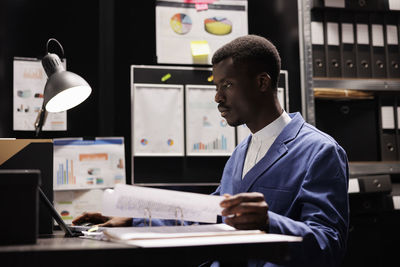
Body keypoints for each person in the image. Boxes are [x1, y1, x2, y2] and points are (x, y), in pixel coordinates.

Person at [73, 35, 349, 267]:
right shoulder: (241, 153)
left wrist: (269, 223)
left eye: (227, 85)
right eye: (216, 87)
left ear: (262, 83)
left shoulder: (320, 152)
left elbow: (329, 245)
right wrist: (135, 221)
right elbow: (209, 215)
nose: (217, 97)